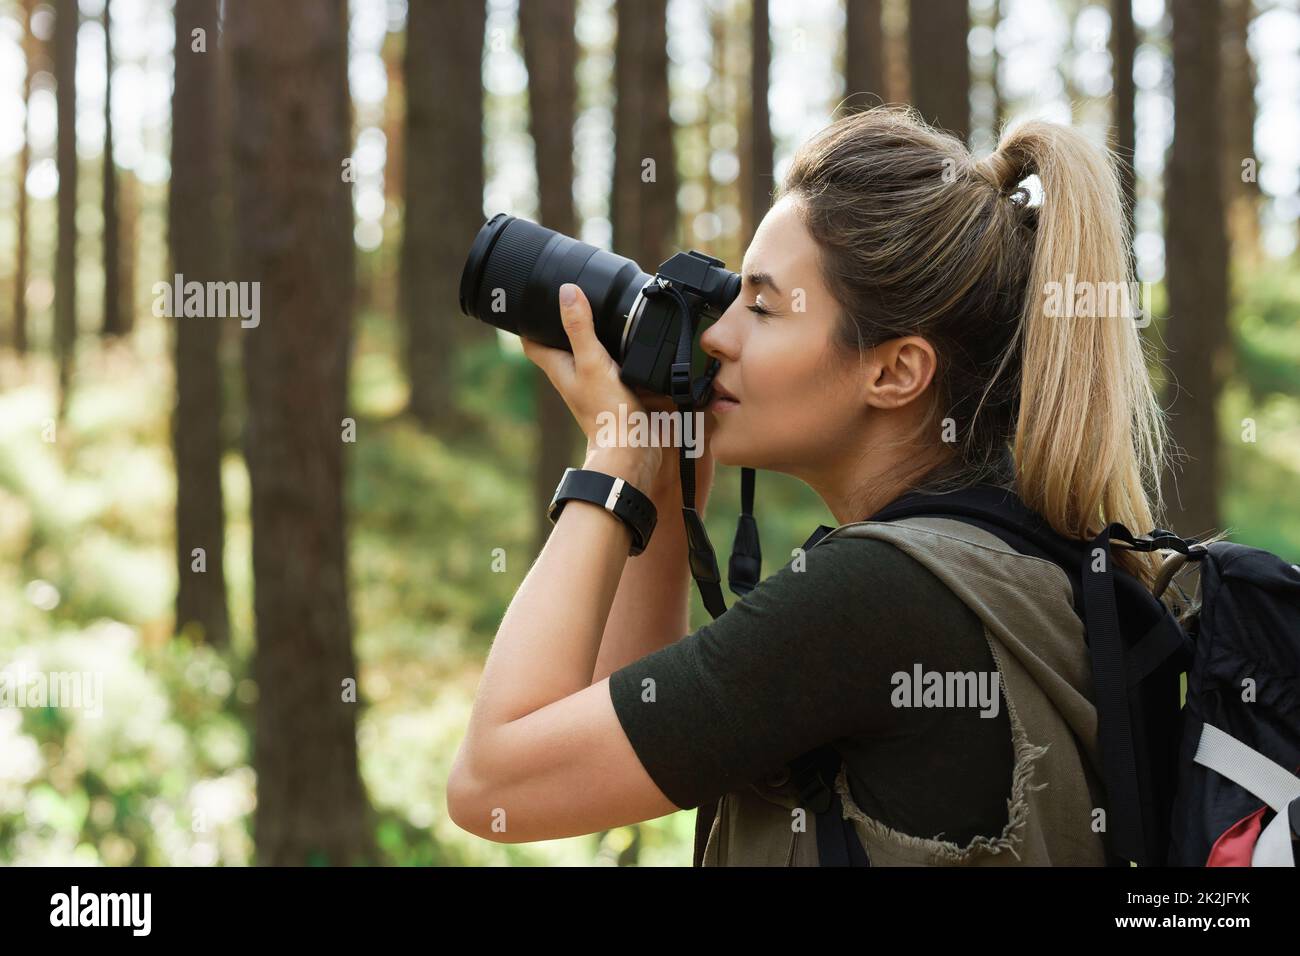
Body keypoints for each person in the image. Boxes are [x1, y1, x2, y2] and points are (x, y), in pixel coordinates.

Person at [446, 105, 1175, 866]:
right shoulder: (1019, 561)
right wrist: (662, 472)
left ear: (895, 372)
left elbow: (494, 786)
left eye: (761, 307)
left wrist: (612, 459)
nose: (719, 334)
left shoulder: (878, 597)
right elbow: (608, 735)